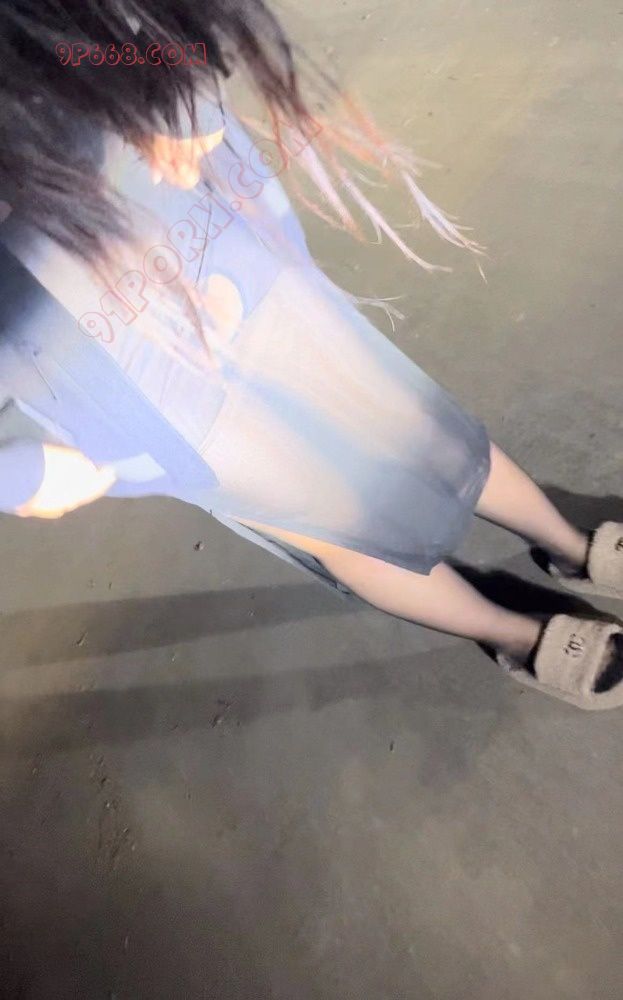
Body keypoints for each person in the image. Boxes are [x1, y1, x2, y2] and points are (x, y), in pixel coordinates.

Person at [1, 0, 622, 709]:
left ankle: (567, 544)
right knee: (319, 514)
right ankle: (510, 630)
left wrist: (177, 83)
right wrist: (14, 475)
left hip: (163, 190)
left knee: (394, 411)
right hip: (65, 360)